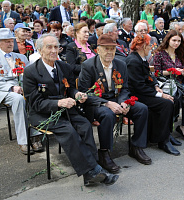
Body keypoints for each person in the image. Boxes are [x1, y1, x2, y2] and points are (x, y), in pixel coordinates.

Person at [23, 33, 118, 186]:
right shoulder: (31, 72)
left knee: (85, 126)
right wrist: (59, 103)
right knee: (68, 130)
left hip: (66, 109)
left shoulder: (63, 66)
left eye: (56, 47)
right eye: (49, 47)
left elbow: (71, 89)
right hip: (43, 114)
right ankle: (94, 170)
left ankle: (91, 173)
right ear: (40, 50)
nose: (54, 50)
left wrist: (77, 94)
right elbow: (35, 103)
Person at [78, 34, 152, 173]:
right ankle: (104, 153)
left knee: (142, 109)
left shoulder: (120, 64)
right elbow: (85, 93)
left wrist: (123, 102)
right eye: (106, 49)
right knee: (107, 115)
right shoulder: (88, 66)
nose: (110, 52)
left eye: (112, 49)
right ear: (98, 50)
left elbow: (125, 88)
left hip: (117, 99)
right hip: (97, 103)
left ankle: (136, 147)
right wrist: (107, 103)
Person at [0, 28, 42, 154]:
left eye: (11, 41)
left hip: (23, 87)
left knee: (35, 95)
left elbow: (30, 75)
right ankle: (23, 140)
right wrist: (12, 88)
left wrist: (28, 87)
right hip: (4, 90)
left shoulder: (21, 57)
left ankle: (35, 135)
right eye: (6, 41)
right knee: (18, 99)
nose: (10, 44)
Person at [125, 34, 180, 154]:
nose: (150, 48)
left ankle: (164, 134)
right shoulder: (133, 61)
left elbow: (149, 76)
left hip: (144, 92)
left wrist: (155, 86)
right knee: (166, 103)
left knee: (173, 100)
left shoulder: (141, 58)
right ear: (142, 46)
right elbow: (139, 86)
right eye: (148, 45)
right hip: (136, 95)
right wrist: (159, 94)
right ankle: (163, 141)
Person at [154, 30, 184, 140]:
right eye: (174, 40)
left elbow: (180, 71)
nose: (176, 43)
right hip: (166, 84)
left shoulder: (178, 54)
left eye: (179, 41)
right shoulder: (160, 54)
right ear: (168, 40)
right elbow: (156, 72)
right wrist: (171, 71)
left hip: (178, 83)